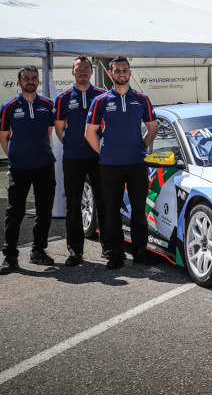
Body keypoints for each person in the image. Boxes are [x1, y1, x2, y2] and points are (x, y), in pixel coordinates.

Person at [85, 56, 158, 269]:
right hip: (110, 165)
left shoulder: (142, 99)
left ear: (130, 72)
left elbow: (152, 128)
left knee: (138, 210)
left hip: (136, 163)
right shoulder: (101, 101)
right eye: (117, 70)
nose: (121, 73)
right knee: (111, 211)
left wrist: (142, 148)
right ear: (110, 73)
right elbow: (90, 133)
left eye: (124, 69)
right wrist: (104, 152)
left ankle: (140, 251)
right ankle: (115, 253)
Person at [0, 66, 57, 275]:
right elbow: (3, 136)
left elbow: (48, 132)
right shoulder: (8, 107)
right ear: (18, 81)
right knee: (15, 213)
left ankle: (38, 251)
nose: (30, 81)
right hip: (20, 168)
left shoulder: (48, 105)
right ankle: (10, 257)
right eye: (26, 78)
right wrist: (13, 157)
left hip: (44, 166)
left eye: (33, 78)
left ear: (38, 81)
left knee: (44, 212)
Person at [52, 56, 107, 267]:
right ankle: (75, 252)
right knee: (73, 206)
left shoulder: (102, 95)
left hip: (99, 157)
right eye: (79, 68)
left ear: (92, 71)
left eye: (86, 68)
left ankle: (108, 248)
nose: (83, 71)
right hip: (73, 158)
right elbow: (59, 129)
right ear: (72, 72)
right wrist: (71, 142)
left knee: (103, 203)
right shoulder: (63, 98)